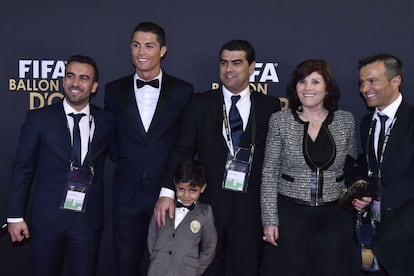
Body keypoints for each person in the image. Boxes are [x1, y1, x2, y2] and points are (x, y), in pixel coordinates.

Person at [155, 39, 281, 276]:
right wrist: (167, 192)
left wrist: (271, 214)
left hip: (250, 213)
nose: (228, 69)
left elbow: (274, 163)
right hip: (208, 210)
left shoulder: (270, 106)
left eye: (236, 63)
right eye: (223, 63)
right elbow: (182, 149)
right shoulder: (200, 103)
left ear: (252, 67)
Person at [7, 55, 115, 276]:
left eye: (84, 78)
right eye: (70, 76)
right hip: (47, 219)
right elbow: (22, 169)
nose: (75, 83)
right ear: (63, 80)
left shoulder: (106, 121)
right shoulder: (39, 119)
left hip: (87, 221)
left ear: (94, 87)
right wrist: (15, 216)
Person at [104, 21, 193, 276]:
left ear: (162, 51)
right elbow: (108, 135)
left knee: (168, 265)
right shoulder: (113, 89)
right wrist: (127, 159)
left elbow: (185, 143)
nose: (141, 52)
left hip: (167, 193)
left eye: (149, 46)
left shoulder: (183, 91)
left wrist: (169, 187)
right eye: (135, 45)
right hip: (125, 193)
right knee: (124, 263)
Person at [261, 59, 357, 276]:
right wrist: (269, 220)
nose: (308, 88)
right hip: (291, 215)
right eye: (302, 82)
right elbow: (269, 173)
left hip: (335, 217)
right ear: (295, 87)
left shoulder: (345, 120)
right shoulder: (280, 121)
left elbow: (352, 168)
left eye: (315, 81)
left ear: (327, 87)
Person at [354, 53, 414, 275]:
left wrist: (400, 229)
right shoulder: (366, 122)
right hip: (373, 229)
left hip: (406, 235)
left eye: (372, 81)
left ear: (395, 81)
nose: (364, 88)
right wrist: (362, 192)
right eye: (361, 82)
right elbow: (372, 167)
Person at [147, 159, 217, 276]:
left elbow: (210, 248)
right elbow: (152, 235)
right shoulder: (164, 206)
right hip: (157, 269)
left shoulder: (205, 213)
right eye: (181, 189)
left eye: (193, 191)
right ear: (175, 184)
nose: (186, 196)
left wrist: (195, 270)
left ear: (203, 188)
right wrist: (156, 256)